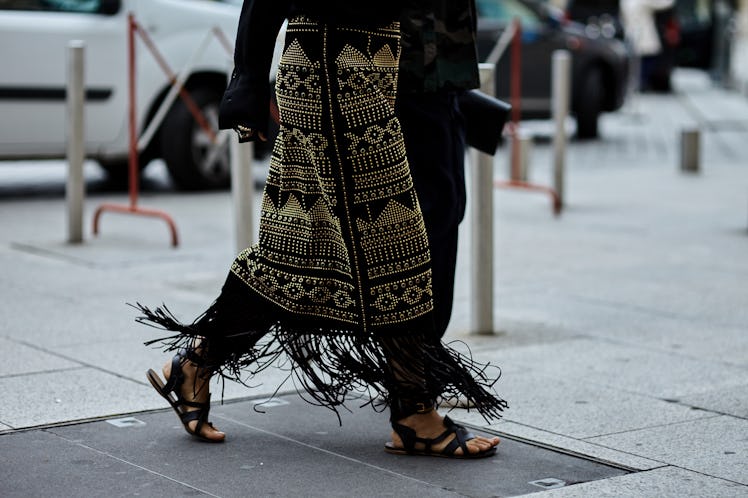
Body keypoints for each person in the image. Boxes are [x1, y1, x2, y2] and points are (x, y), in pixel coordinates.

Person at [136, 0, 507, 458]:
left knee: (363, 238)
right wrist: (249, 77)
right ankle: (413, 411)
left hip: (424, 63)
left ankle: (195, 363)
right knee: (393, 238)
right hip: (348, 60)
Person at [397, 1, 480, 341]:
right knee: (436, 210)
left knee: (446, 208)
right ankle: (414, 358)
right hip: (409, 71)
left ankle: (418, 356)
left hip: (438, 73)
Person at [620, 0, 676, 91]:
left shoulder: (625, 2)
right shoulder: (642, 1)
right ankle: (642, 83)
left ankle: (637, 83)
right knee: (647, 60)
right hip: (644, 34)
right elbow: (664, 4)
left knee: (636, 61)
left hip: (631, 33)